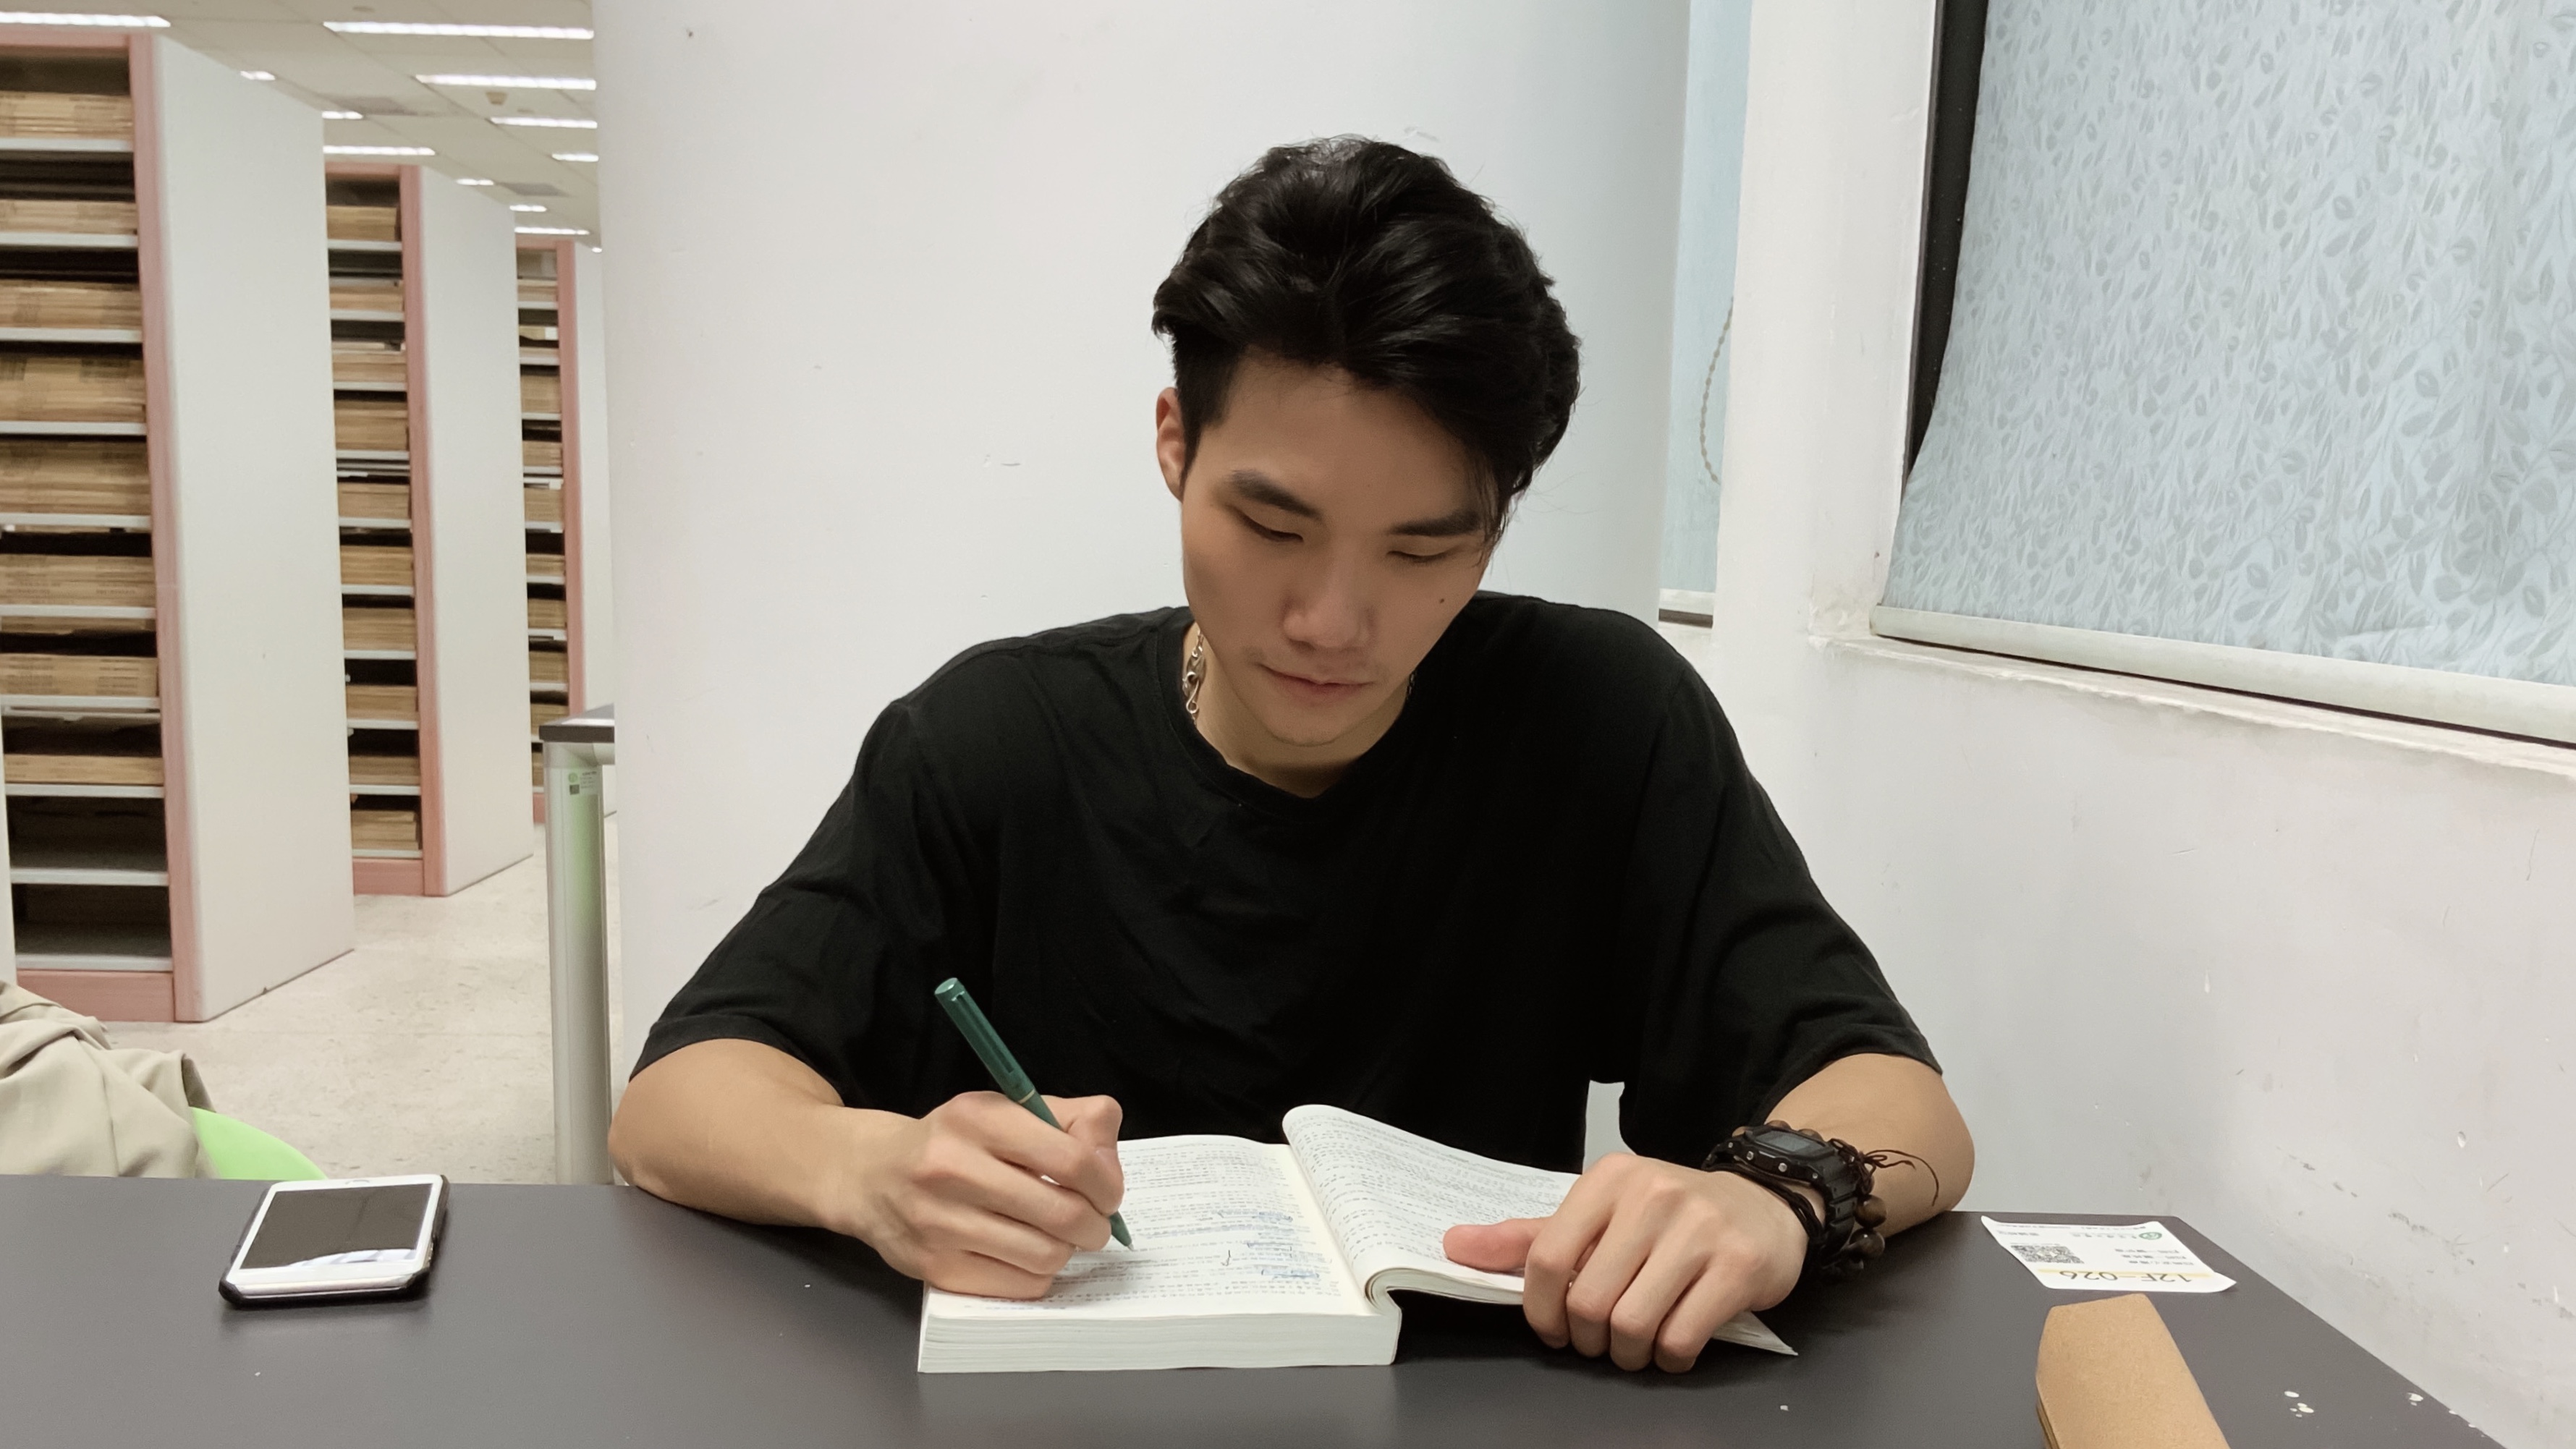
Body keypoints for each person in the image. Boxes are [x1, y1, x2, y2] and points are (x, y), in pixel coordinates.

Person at [611, 136, 1973, 1374]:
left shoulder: (1599, 722)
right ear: (1174, 446)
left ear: (1497, 528)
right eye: (1272, 528)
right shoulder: (995, 741)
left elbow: (1903, 1102)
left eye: (1423, 549)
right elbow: (676, 1100)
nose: (1331, 622)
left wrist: (1773, 1194)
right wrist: (873, 1171)